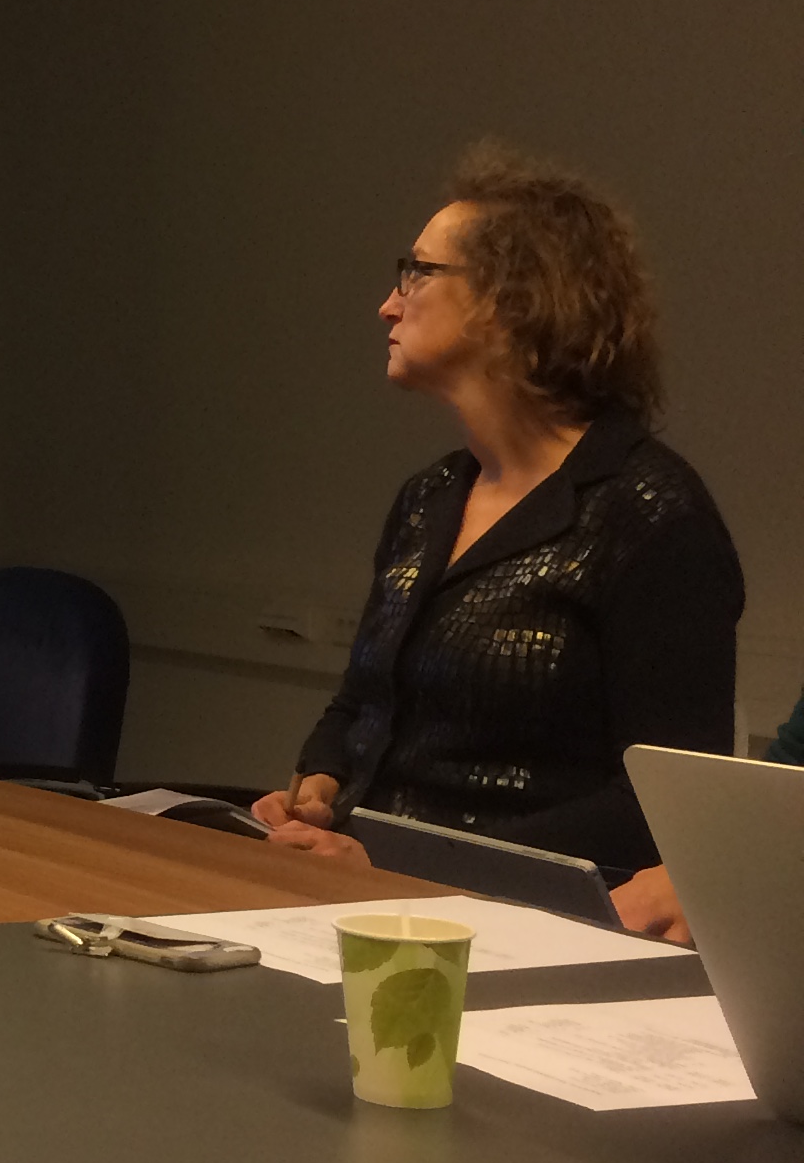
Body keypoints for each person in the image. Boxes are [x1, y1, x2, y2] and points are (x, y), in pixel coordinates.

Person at [253, 144, 740, 878]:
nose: (389, 303)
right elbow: (362, 701)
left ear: (512, 300)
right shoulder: (428, 498)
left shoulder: (650, 513)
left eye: (417, 273)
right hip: (373, 892)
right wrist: (322, 779)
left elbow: (665, 809)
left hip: (526, 918)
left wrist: (394, 859)